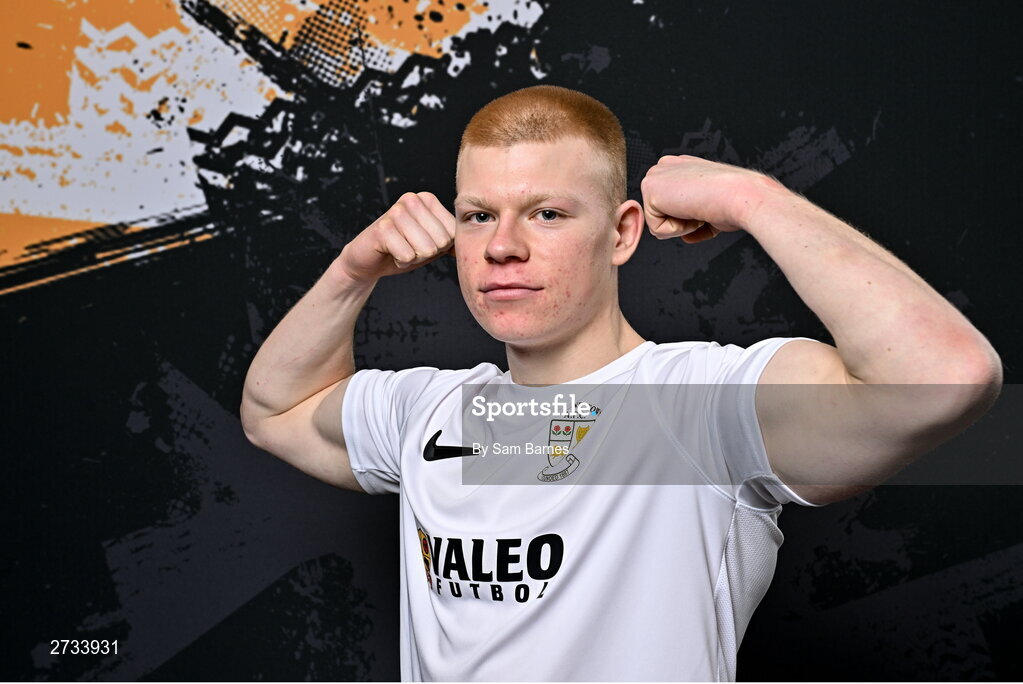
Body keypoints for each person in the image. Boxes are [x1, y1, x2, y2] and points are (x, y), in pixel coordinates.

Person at [239, 85, 1002, 680]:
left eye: (545, 213)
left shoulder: (697, 407)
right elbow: (274, 410)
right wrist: (353, 270)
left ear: (622, 232)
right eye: (477, 216)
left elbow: (944, 376)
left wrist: (753, 199)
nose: (501, 247)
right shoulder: (431, 412)